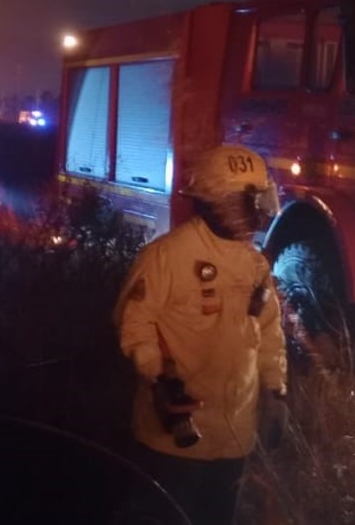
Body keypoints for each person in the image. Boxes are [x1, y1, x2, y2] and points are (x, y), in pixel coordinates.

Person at [113, 144, 289, 525]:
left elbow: (268, 333)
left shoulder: (253, 263)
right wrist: (157, 376)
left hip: (235, 437)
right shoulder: (169, 256)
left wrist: (275, 391)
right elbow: (135, 322)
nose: (258, 212)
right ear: (220, 201)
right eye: (250, 201)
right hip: (174, 438)